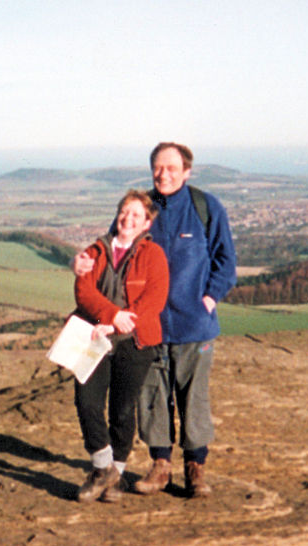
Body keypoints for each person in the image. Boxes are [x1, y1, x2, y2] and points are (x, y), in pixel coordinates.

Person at [74, 142, 237, 498]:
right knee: (151, 398)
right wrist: (82, 261)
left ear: (187, 171)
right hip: (145, 328)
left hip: (194, 325)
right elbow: (110, 250)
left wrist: (208, 300)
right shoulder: (142, 208)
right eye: (158, 168)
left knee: (193, 398)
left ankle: (196, 468)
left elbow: (226, 261)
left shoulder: (205, 207)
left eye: (172, 168)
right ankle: (160, 465)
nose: (164, 175)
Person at [72, 189, 169, 503]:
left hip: (134, 342)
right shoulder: (94, 251)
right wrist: (112, 315)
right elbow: (84, 293)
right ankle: (103, 468)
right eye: (124, 212)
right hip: (95, 337)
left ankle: (116, 477)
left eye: (136, 215)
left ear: (146, 224)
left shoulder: (153, 255)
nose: (128, 219)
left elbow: (154, 298)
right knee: (87, 401)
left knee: (123, 411)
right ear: (117, 215)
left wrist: (121, 321)